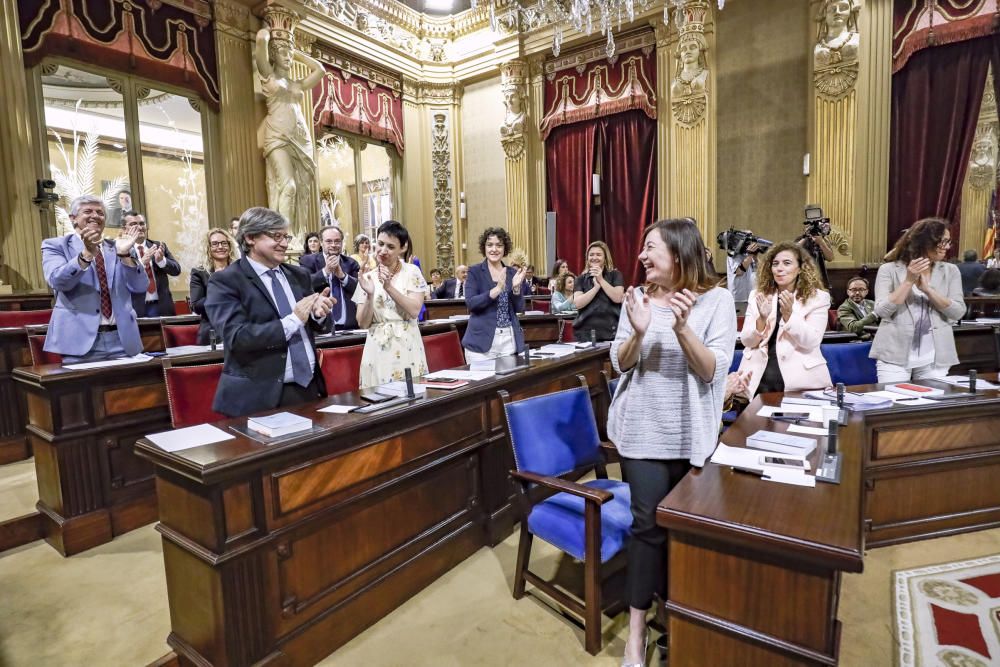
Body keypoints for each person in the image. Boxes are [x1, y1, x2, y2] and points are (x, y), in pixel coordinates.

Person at [607, 219, 736, 667]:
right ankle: (637, 633)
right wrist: (640, 331)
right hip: (640, 433)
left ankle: (677, 612)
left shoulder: (717, 301)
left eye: (650, 248)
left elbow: (711, 371)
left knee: (682, 529)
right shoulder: (636, 300)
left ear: (679, 253)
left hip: (691, 434)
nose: (641, 256)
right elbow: (620, 364)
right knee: (648, 528)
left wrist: (682, 328)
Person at [205, 207, 335, 417]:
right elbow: (237, 337)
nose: (284, 243)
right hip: (258, 397)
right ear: (250, 238)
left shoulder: (299, 275)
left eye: (286, 236)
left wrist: (317, 314)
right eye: (276, 236)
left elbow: (318, 325)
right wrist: (294, 320)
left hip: (308, 389)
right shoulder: (225, 281)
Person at [41, 195, 149, 363]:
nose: (95, 216)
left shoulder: (120, 246)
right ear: (73, 219)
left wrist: (125, 255)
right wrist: (86, 255)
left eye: (100, 212)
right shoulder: (55, 245)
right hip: (80, 341)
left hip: (123, 339)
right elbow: (58, 281)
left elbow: (141, 286)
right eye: (88, 211)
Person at [732, 241, 832, 400]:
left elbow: (812, 341)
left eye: (787, 263)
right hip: (758, 374)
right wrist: (761, 320)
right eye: (775, 264)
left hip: (800, 377)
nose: (779, 268)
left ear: (800, 268)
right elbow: (747, 341)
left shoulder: (818, 298)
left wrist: (789, 316)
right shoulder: (758, 295)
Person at [870, 218, 965, 383]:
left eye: (948, 242)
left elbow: (957, 312)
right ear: (925, 241)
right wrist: (908, 281)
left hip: (935, 356)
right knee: (896, 405)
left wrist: (928, 290)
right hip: (894, 354)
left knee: (932, 406)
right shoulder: (889, 270)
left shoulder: (951, 271)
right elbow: (882, 311)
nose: (947, 247)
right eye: (942, 242)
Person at [254, 26, 323, 234]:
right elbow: (260, 40)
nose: (288, 57)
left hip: (301, 138)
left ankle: (294, 236)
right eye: (283, 53)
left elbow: (320, 70)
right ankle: (282, 234)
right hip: (277, 135)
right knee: (288, 186)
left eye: (289, 54)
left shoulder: (297, 84)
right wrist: (269, 34)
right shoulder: (269, 77)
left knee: (301, 188)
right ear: (273, 54)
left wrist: (295, 51)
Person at [353, 220, 428, 387]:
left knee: (410, 399)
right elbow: (363, 323)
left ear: (403, 248)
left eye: (390, 246)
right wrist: (370, 295)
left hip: (406, 344)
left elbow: (414, 310)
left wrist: (388, 287)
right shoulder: (367, 277)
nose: (383, 250)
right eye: (380, 244)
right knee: (377, 402)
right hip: (377, 348)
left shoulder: (411, 271)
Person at [462, 227, 527, 362]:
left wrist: (516, 288)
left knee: (508, 382)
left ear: (504, 249)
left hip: (509, 340)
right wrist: (496, 290)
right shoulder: (475, 272)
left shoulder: (511, 273)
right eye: (490, 245)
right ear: (484, 248)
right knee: (482, 382)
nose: (494, 249)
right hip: (481, 342)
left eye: (499, 245)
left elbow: (519, 308)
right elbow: (471, 303)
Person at [122, 210, 181, 318]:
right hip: (136, 308)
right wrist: (141, 263)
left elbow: (176, 270)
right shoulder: (122, 250)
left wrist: (162, 261)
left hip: (162, 307)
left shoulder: (158, 245)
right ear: (124, 229)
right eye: (133, 224)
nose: (139, 227)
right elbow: (121, 278)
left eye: (142, 223)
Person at [189, 228, 238, 345]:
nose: (220, 247)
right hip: (212, 330)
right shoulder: (199, 272)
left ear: (230, 246)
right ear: (208, 248)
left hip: (240, 327)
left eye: (224, 243)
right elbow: (196, 305)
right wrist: (220, 293)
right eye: (215, 244)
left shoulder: (240, 270)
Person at [573, 241, 624, 342]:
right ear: (587, 258)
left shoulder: (615, 275)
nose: (594, 257)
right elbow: (578, 303)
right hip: (585, 333)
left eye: (599, 254)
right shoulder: (580, 279)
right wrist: (595, 288)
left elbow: (618, 298)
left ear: (605, 258)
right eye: (591, 255)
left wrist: (600, 279)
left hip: (612, 332)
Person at [313, 226, 360, 330]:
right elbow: (304, 286)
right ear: (321, 242)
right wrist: (325, 271)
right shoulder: (308, 261)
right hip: (321, 326)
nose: (333, 245)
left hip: (349, 328)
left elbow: (359, 290)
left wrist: (342, 276)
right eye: (329, 241)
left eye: (337, 241)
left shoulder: (351, 263)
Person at [725, 235, 762, 310]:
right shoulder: (733, 255)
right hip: (738, 299)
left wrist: (755, 257)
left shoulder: (749, 255)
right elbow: (739, 272)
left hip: (751, 296)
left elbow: (761, 270)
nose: (751, 243)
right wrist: (750, 255)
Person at [796, 221, 835, 288]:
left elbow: (830, 258)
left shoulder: (823, 240)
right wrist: (805, 237)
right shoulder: (801, 239)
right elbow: (793, 251)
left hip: (820, 278)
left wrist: (821, 243)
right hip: (803, 278)